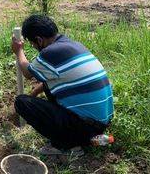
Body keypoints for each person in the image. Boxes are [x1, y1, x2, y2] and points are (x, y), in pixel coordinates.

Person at [11, 14, 114, 156]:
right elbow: (56, 79)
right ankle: (85, 138)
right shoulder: (72, 44)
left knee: (22, 102)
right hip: (102, 122)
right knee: (47, 87)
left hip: (87, 126)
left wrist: (19, 51)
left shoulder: (49, 53)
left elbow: (28, 73)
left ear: (39, 40)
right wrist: (35, 93)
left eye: (32, 43)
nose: (34, 46)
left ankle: (68, 145)